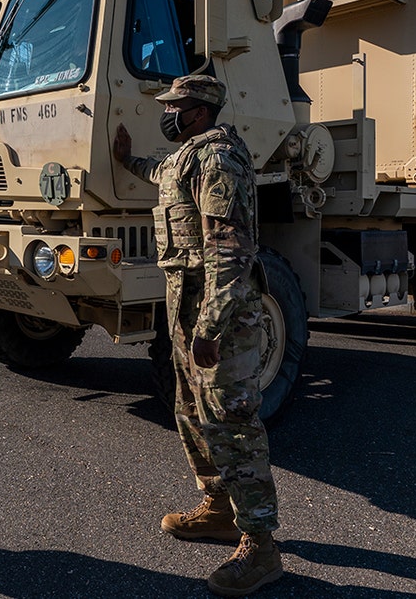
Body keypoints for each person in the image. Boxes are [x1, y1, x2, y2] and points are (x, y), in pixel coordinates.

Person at [111, 75, 282, 596]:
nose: (167, 112)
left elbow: (231, 252)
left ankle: (260, 544)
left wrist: (209, 326)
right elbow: (157, 172)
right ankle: (218, 507)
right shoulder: (185, 157)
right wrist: (126, 160)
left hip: (221, 317)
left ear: (199, 110)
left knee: (231, 421)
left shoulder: (218, 159)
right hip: (186, 313)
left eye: (175, 105)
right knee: (190, 413)